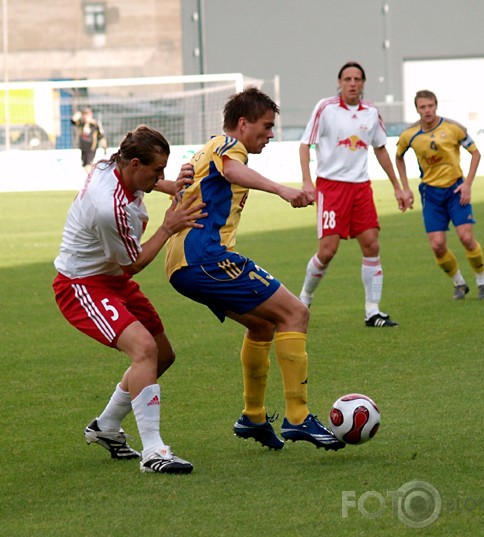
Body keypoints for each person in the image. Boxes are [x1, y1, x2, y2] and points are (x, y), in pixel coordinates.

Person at [165, 86, 345, 452]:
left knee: (262, 324)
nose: (271, 133)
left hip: (184, 263)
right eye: (266, 126)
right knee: (295, 312)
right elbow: (232, 170)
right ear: (243, 123)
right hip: (204, 257)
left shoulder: (207, 148)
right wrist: (282, 190)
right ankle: (297, 417)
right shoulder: (232, 148)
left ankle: (254, 416)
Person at [53, 125, 207, 474]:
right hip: (82, 285)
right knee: (144, 351)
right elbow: (134, 264)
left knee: (162, 355)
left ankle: (105, 427)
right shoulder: (109, 207)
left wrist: (172, 186)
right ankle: (154, 451)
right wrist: (169, 226)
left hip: (112, 279)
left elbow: (143, 184)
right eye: (158, 171)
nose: (162, 177)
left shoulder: (116, 166)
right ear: (135, 163)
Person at [298, 61, 412, 327]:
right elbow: (305, 145)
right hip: (331, 187)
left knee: (372, 244)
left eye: (357, 78)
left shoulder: (371, 112)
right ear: (339, 82)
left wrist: (398, 186)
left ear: (363, 83)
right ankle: (303, 299)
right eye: (347, 78)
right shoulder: (325, 108)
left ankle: (373, 311)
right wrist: (307, 182)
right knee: (327, 251)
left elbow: (381, 149)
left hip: (361, 187)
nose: (352, 83)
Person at [395, 90, 484, 300]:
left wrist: (468, 184)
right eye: (423, 107)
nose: (427, 111)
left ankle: (482, 281)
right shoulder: (409, 135)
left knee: (466, 237)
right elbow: (399, 157)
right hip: (431, 193)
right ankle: (459, 283)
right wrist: (404, 186)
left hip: (456, 190)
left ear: (436, 106)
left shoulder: (453, 128)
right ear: (417, 109)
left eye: (430, 106)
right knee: (437, 245)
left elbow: (475, 153)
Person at [72, 107, 108, 174]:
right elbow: (73, 120)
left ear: (90, 115)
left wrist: (104, 146)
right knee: (86, 166)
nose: (85, 116)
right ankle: (92, 178)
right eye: (84, 114)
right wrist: (78, 114)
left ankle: (92, 179)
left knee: (87, 166)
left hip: (91, 148)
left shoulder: (95, 124)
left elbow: (101, 135)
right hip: (83, 148)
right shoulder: (81, 123)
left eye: (87, 114)